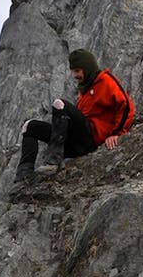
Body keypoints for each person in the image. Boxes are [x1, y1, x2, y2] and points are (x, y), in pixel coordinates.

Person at [13, 49, 135, 184]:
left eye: (77, 71)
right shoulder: (85, 90)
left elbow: (127, 106)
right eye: (73, 71)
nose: (74, 75)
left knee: (59, 104)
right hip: (74, 143)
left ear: (87, 68)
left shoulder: (106, 81)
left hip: (91, 138)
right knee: (29, 126)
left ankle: (53, 160)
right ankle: (24, 175)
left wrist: (117, 133)